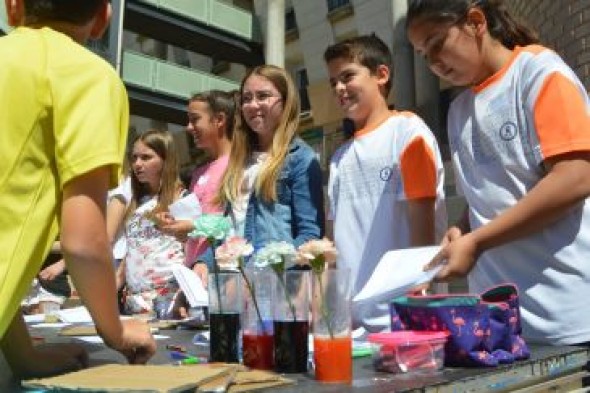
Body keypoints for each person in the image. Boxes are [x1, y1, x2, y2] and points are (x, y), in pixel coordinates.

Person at [407, 0, 590, 345]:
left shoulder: (539, 72)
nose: (433, 63)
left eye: (436, 44)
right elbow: (489, 195)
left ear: (475, 22)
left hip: (566, 315)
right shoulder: (458, 110)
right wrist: (462, 229)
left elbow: (575, 176)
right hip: (498, 320)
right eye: (422, 55)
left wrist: (478, 241)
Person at [0, 0, 155, 379]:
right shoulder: (88, 77)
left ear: (12, 7)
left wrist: (23, 356)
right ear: (104, 17)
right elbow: (83, 242)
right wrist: (115, 329)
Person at [324, 35, 447, 333]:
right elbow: (332, 245)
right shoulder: (338, 158)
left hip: (403, 321)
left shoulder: (407, 133)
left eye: (348, 76)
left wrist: (417, 301)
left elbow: (423, 233)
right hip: (352, 325)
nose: (339, 88)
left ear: (381, 74)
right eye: (333, 82)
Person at [216, 65, 325, 250]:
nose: (252, 105)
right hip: (232, 275)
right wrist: (204, 262)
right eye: (246, 99)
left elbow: (310, 235)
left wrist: (275, 265)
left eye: (263, 96)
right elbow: (226, 228)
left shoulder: (300, 158)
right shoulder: (238, 160)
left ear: (285, 101)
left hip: (273, 277)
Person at [159, 90, 237, 286]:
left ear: (219, 119)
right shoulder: (198, 172)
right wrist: (176, 225)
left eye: (195, 120)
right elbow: (198, 223)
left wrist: (192, 226)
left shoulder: (237, 166)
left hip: (222, 273)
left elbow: (235, 221)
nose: (188, 127)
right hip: (195, 272)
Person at [119, 129, 187, 317]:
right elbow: (133, 250)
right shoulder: (136, 203)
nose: (137, 164)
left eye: (146, 157)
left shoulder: (181, 199)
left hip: (168, 301)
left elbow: (193, 248)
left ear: (166, 160)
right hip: (134, 303)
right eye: (134, 158)